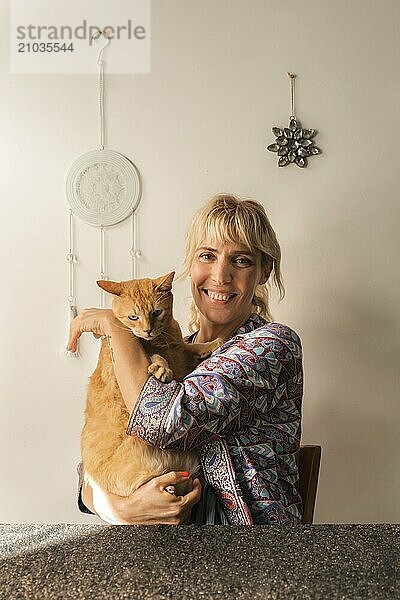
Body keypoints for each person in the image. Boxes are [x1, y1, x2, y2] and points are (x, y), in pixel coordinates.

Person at [69, 193, 303, 525]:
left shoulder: (271, 345)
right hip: (174, 550)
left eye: (241, 260)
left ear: (264, 271)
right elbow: (90, 469)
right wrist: (117, 508)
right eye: (207, 256)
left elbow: (164, 424)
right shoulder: (176, 348)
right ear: (191, 265)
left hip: (251, 552)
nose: (220, 276)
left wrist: (114, 325)